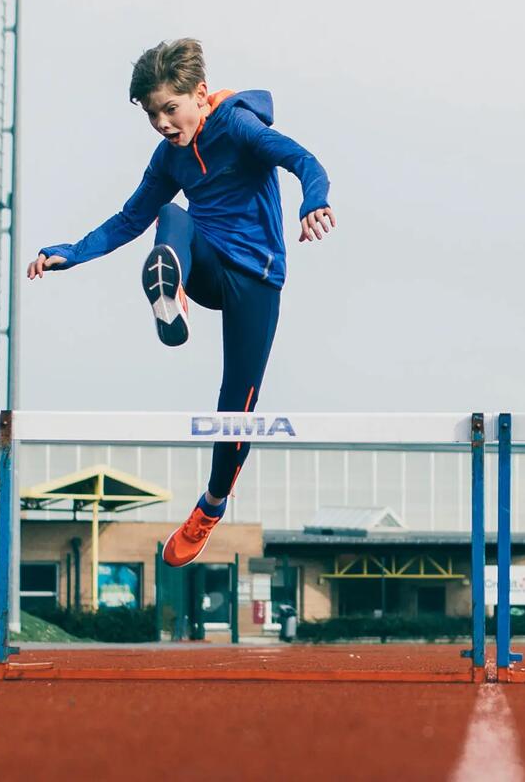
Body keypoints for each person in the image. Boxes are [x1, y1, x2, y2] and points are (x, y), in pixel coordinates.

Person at [28, 38, 332, 566]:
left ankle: (210, 507)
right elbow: (130, 218)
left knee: (236, 407)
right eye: (152, 115)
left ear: (200, 95)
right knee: (171, 215)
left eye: (171, 109)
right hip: (207, 263)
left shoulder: (238, 127)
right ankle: (172, 292)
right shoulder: (166, 158)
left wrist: (314, 200)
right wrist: (71, 254)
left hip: (258, 278)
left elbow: (302, 160)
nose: (164, 124)